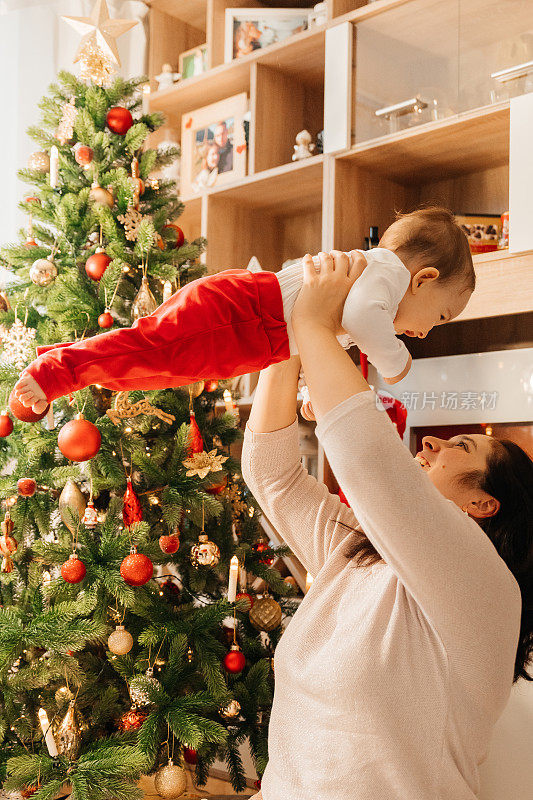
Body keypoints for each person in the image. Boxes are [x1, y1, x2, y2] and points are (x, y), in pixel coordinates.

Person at [243, 250, 533, 800]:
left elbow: (372, 465)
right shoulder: (355, 555)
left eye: (461, 448)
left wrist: (312, 321)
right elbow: (272, 474)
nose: (431, 443)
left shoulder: (485, 584)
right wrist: (288, 344)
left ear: (483, 506)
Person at [13, 207, 473, 416]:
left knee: (156, 369)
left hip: (254, 333)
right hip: (243, 314)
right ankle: (57, 369)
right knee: (152, 349)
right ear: (424, 279)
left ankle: (67, 361)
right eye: (441, 317)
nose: (428, 332)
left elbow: (325, 339)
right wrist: (395, 362)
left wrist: (315, 393)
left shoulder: (374, 287)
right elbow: (360, 320)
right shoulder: (387, 272)